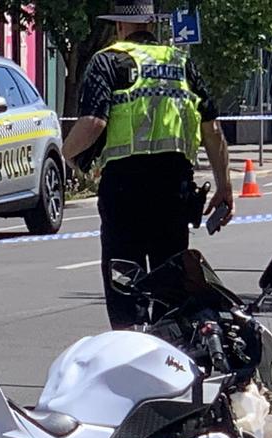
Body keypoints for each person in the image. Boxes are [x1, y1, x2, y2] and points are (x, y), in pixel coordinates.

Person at [62, 1, 234, 329]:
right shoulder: (181, 63)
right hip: (174, 190)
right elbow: (212, 131)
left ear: (119, 26)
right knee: (170, 283)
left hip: (125, 189)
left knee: (125, 283)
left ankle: (132, 353)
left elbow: (94, 124)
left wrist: (65, 154)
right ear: (151, 25)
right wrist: (225, 187)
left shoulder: (108, 61)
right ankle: (170, 358)